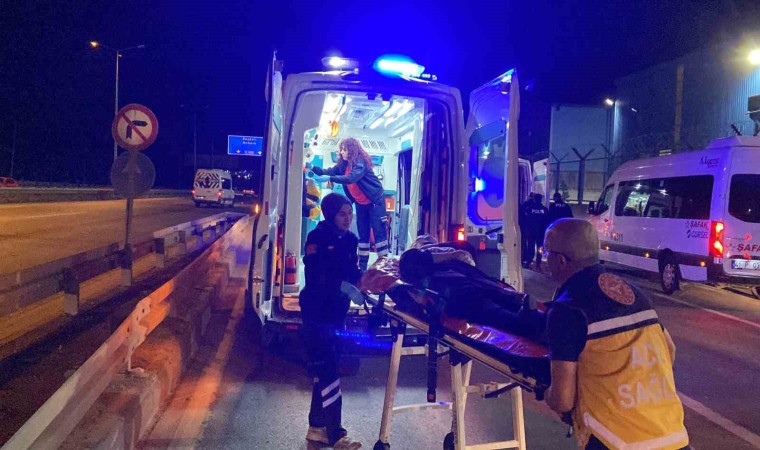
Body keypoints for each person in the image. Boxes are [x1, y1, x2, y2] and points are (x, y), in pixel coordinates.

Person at [543, 219, 689, 450]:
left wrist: (546, 393)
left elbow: (563, 400)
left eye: (546, 251)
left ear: (561, 261)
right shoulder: (634, 293)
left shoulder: (567, 309)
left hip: (615, 441)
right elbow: (669, 349)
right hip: (672, 435)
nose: (544, 258)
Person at [299, 193, 364, 450]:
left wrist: (366, 282)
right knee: (329, 372)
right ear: (330, 215)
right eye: (342, 214)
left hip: (336, 314)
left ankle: (317, 427)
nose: (347, 219)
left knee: (326, 369)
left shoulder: (350, 240)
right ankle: (337, 435)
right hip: (316, 313)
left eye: (350, 214)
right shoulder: (316, 238)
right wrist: (344, 287)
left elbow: (353, 272)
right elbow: (315, 276)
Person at [308, 137, 388, 271]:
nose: (342, 152)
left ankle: (383, 268)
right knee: (363, 235)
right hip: (361, 203)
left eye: (344, 149)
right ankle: (362, 269)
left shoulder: (360, 163)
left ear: (352, 150)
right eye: (341, 150)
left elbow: (351, 178)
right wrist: (312, 167)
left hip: (375, 201)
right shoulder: (343, 166)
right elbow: (327, 172)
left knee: (379, 234)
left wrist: (330, 178)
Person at [522, 193, 548, 270]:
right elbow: (547, 221)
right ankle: (538, 264)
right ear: (541, 200)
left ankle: (529, 261)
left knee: (531, 246)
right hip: (541, 232)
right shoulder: (544, 209)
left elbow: (526, 220)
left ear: (534, 199)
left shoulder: (529, 209)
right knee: (540, 248)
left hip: (531, 232)